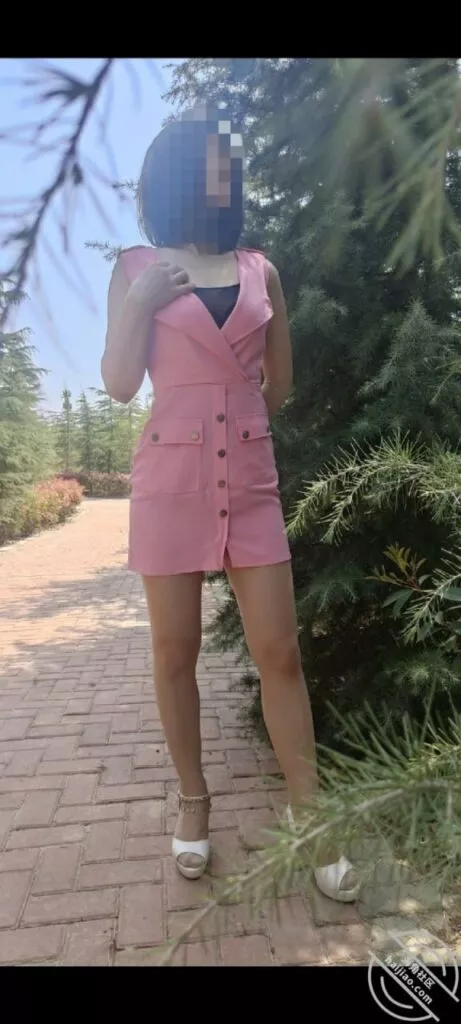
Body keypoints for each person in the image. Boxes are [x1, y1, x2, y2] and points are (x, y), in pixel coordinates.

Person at [102, 104, 359, 902]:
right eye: (214, 159)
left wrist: (237, 419)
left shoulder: (259, 269)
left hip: (248, 483)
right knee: (173, 653)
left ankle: (311, 818)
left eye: (232, 162)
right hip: (169, 483)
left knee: (279, 653)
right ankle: (194, 802)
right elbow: (118, 383)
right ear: (179, 171)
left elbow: (277, 385)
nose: (227, 172)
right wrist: (141, 301)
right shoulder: (136, 266)